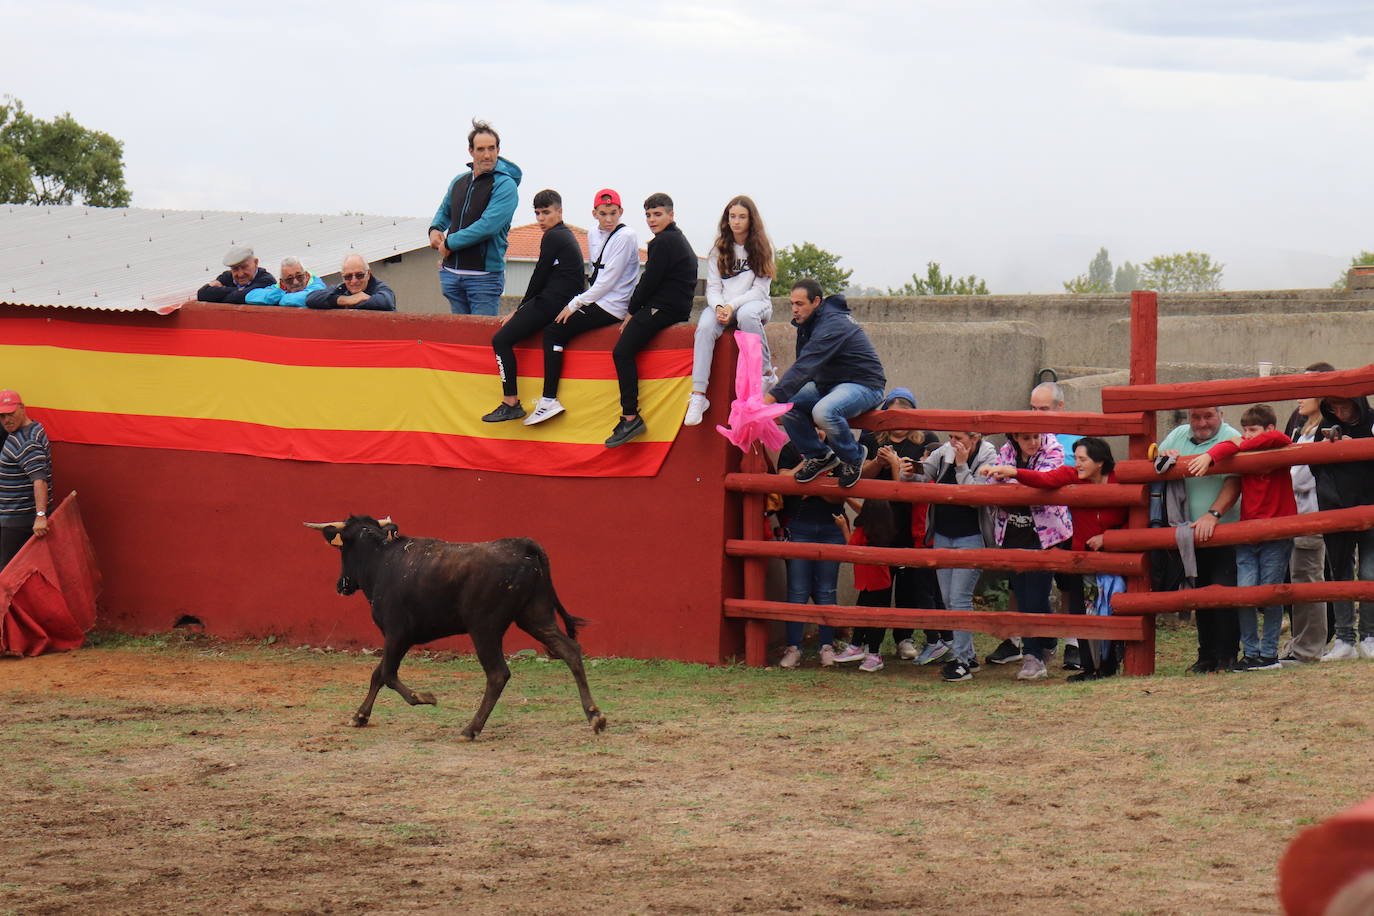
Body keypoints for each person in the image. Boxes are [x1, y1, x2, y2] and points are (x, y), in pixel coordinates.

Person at [993, 436, 1128, 680]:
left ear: (1100, 462)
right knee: (1082, 611)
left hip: (1113, 559)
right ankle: (1090, 667)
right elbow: (1044, 480)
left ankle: (1109, 664)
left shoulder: (1120, 480)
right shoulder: (1073, 474)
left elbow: (1132, 517)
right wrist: (1013, 471)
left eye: (1082, 459)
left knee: (1110, 608)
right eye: (1075, 458)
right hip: (1081, 558)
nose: (1077, 463)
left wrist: (1108, 538)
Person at [1186, 404, 1297, 670]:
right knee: (1244, 594)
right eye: (1245, 430)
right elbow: (1235, 447)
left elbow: (1280, 438)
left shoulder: (1276, 445)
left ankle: (1268, 653)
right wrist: (1223, 450)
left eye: (1253, 430)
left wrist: (1224, 448)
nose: (1247, 435)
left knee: (1269, 595)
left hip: (1274, 533)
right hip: (1246, 534)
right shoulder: (1242, 454)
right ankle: (1251, 652)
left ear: (1268, 428)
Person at [842, 390, 944, 667]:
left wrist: (903, 468)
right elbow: (859, 475)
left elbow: (930, 475)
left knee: (909, 583)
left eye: (904, 415)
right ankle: (867, 640)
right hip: (877, 519)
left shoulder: (927, 439)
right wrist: (879, 462)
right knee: (878, 583)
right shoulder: (870, 438)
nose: (899, 422)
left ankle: (904, 637)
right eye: (892, 415)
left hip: (911, 519)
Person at [525, 189, 640, 426]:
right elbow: (594, 274)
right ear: (594, 214)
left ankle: (549, 399)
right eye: (603, 213)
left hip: (613, 304)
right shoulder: (593, 235)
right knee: (554, 324)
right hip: (597, 298)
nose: (608, 219)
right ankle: (548, 399)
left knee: (555, 330)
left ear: (621, 212)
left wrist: (575, 303)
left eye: (613, 213)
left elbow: (608, 281)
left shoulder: (626, 235)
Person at [763, 281, 886, 489]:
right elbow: (805, 369)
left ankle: (854, 456)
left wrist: (769, 398)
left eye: (800, 304)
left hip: (864, 385)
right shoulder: (807, 324)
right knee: (788, 405)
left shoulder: (833, 324)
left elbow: (805, 365)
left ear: (817, 301)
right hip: (829, 385)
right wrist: (779, 399)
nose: (794, 309)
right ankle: (819, 456)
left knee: (823, 411)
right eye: (792, 303)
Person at [481, 190, 585, 423]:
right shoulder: (565, 235)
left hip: (552, 301)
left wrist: (520, 308)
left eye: (546, 212)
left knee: (501, 340)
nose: (540, 218)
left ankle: (511, 403)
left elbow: (540, 274)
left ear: (559, 212)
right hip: (560, 300)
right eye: (537, 213)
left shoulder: (554, 236)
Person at [903, 430, 997, 681]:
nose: (954, 442)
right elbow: (924, 474)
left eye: (960, 438)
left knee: (959, 598)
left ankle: (961, 662)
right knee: (947, 598)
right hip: (943, 534)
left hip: (972, 536)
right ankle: (968, 656)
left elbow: (976, 497)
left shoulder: (989, 457)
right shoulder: (943, 451)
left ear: (975, 438)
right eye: (951, 436)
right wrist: (910, 471)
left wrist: (962, 465)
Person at [605, 193, 697, 448]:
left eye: (657, 214)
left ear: (671, 215)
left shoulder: (664, 242)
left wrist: (632, 310)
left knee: (622, 352)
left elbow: (649, 281)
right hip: (674, 307)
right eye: (648, 215)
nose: (652, 220)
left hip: (665, 307)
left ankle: (630, 416)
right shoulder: (674, 239)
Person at [978, 432, 1072, 680]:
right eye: (1026, 438)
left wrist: (1011, 475)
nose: (1032, 443)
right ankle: (1048, 639)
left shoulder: (1053, 449)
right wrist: (1007, 479)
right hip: (1013, 534)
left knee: (1036, 594)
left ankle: (1033, 656)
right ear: (1015, 438)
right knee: (1023, 594)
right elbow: (991, 485)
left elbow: (1044, 481)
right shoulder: (1007, 452)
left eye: (1035, 437)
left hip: (1046, 535)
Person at [1159, 407, 1243, 673]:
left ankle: (1228, 655)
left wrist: (1213, 514)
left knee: (1223, 592)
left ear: (1221, 414)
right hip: (1188, 533)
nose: (1202, 422)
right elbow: (1153, 457)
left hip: (1224, 531)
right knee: (1200, 594)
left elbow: (1235, 480)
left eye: (1208, 416)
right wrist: (1162, 455)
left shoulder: (1231, 436)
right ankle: (1206, 655)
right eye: (1196, 417)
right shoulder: (1177, 435)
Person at [683, 196, 775, 427]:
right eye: (732, 216)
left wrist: (732, 307)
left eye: (742, 217)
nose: (736, 222)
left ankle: (765, 374)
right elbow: (713, 288)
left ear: (751, 220)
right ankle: (698, 395)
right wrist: (720, 307)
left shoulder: (762, 248)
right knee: (704, 327)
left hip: (754, 303)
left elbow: (759, 290)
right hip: (723, 305)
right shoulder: (719, 250)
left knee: (746, 317)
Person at [429, 119, 522, 316]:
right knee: (458, 341)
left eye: (491, 148)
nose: (487, 154)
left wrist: (449, 243)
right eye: (481, 149)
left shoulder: (505, 185)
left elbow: (488, 226)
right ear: (471, 151)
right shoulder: (459, 181)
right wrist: (435, 229)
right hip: (452, 275)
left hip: (484, 277)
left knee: (480, 341)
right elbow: (445, 211)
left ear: (498, 149)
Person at [1309, 388, 1374, 661]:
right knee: (1340, 572)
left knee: (1370, 571)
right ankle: (1344, 639)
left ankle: (1370, 635)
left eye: (1343, 405)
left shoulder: (1372, 422)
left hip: (1370, 505)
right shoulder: (1324, 428)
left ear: (1355, 400)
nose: (1339, 412)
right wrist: (1329, 450)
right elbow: (1313, 467)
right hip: (1335, 507)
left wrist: (1354, 448)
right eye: (1333, 407)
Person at [776, 438, 849, 669]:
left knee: (827, 589)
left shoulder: (838, 449)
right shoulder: (792, 447)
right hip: (799, 525)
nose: (817, 431)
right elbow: (783, 483)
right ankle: (793, 648)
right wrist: (806, 469)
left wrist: (810, 486)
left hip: (832, 525)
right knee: (797, 588)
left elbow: (841, 494)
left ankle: (826, 646)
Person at [1030, 380, 1085, 670]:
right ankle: (1022, 637)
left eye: (1044, 409)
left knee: (1069, 583)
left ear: (1060, 408)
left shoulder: (1077, 438)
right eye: (1033, 409)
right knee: (1023, 579)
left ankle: (1074, 641)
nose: (1037, 415)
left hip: (1068, 522)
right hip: (1032, 521)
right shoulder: (1025, 436)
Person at [1281, 363, 1333, 664]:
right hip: (1297, 515)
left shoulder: (1323, 431)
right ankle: (1300, 644)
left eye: (1307, 390)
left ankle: (1309, 648)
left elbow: (1300, 478)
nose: (1300, 396)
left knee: (1308, 580)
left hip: (1310, 515)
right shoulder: (1302, 428)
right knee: (1300, 579)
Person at [0, 391, 51, 570]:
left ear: (22, 408)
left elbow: (40, 480)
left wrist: (40, 516)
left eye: (11, 413)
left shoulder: (24, 442)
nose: (6, 420)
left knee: (7, 576)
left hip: (17, 522)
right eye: (2, 416)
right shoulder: (36, 428)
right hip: (19, 517)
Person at [306, 255, 396, 311]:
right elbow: (312, 298)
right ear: (342, 276)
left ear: (368, 274)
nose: (354, 281)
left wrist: (355, 302)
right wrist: (345, 300)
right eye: (348, 277)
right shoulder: (341, 288)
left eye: (359, 275)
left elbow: (386, 301)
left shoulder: (380, 288)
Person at [197, 246, 276, 303]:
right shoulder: (227, 276)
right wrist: (239, 291)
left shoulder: (266, 280)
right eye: (235, 269)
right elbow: (202, 294)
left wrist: (220, 293)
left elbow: (240, 298)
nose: (240, 274)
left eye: (244, 267)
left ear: (255, 263)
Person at [244, 257, 326, 307]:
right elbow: (250, 296)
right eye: (289, 279)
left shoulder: (317, 284)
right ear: (283, 282)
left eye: (299, 276)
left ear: (306, 276)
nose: (296, 282)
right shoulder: (280, 288)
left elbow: (304, 298)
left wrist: (283, 296)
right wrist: (279, 293)